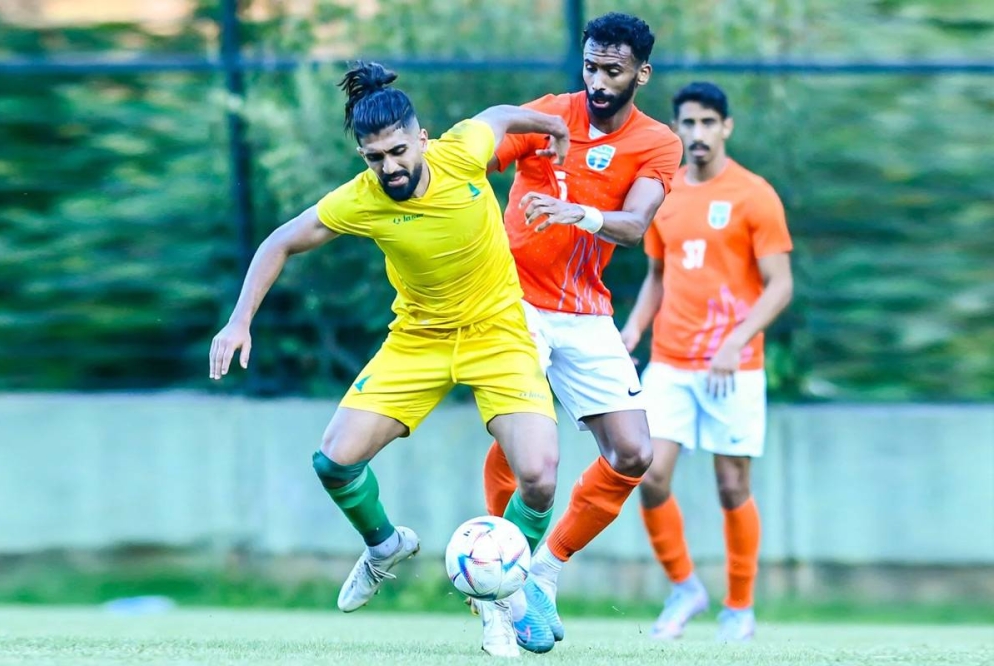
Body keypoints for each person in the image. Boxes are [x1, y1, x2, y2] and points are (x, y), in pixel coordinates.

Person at [208, 61, 573, 658]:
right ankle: (384, 545)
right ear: (363, 155)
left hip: (498, 335)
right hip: (419, 340)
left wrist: (551, 127)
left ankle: (506, 593)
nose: (391, 167)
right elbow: (280, 241)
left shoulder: (463, 152)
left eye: (399, 151)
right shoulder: (363, 198)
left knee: (539, 476)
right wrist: (239, 319)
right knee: (334, 462)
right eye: (375, 157)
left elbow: (501, 116)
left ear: (422, 138)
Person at [480, 12, 683, 652]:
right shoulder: (549, 115)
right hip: (515, 303)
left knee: (634, 454)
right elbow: (475, 158)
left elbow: (635, 225)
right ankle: (496, 582)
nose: (597, 81)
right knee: (525, 448)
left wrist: (578, 212)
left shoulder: (658, 142)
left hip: (586, 312)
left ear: (641, 74)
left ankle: (544, 569)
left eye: (612, 70)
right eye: (590, 66)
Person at [620, 81, 794, 643]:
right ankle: (684, 587)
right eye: (688, 123)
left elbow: (780, 285)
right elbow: (657, 276)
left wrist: (735, 341)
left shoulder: (754, 194)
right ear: (677, 129)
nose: (697, 134)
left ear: (726, 127)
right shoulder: (665, 192)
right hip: (670, 362)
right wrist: (633, 329)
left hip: (732, 368)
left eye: (707, 123)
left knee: (731, 485)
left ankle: (739, 606)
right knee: (647, 473)